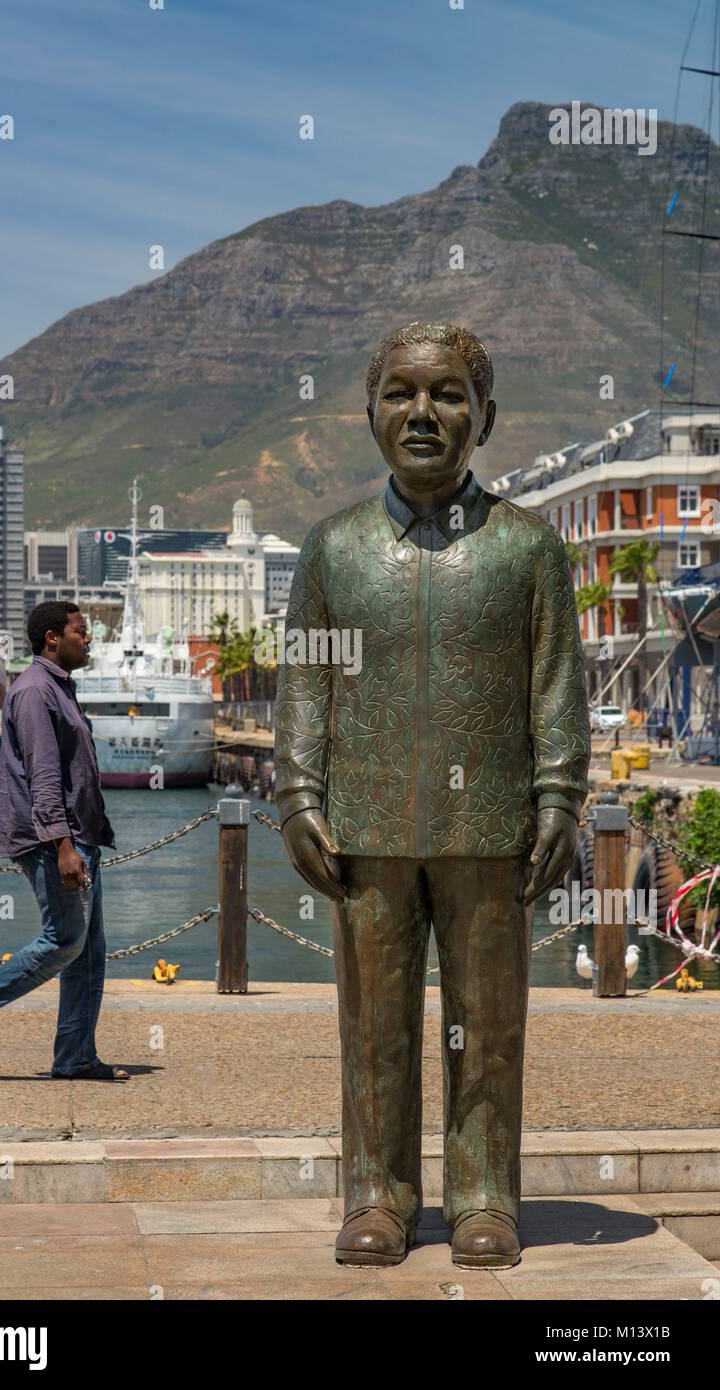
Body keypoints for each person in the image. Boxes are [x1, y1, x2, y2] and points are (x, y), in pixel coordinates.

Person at [274, 321, 590, 1269]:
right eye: (401, 393)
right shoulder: (332, 551)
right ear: (368, 411)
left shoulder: (529, 550)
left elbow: (555, 684)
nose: (423, 413)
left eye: (448, 394)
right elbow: (306, 684)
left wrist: (560, 795)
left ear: (484, 416)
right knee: (373, 1027)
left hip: (490, 828)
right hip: (366, 825)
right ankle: (376, 1194)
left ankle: (486, 1195)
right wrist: (296, 790)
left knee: (490, 1024)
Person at [0, 601, 130, 1081]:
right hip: (55, 839)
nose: (88, 639)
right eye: (80, 632)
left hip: (80, 836)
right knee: (64, 940)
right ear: (52, 637)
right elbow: (44, 776)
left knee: (88, 951)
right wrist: (63, 846)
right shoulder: (35, 692)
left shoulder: (59, 688)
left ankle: (76, 1057)